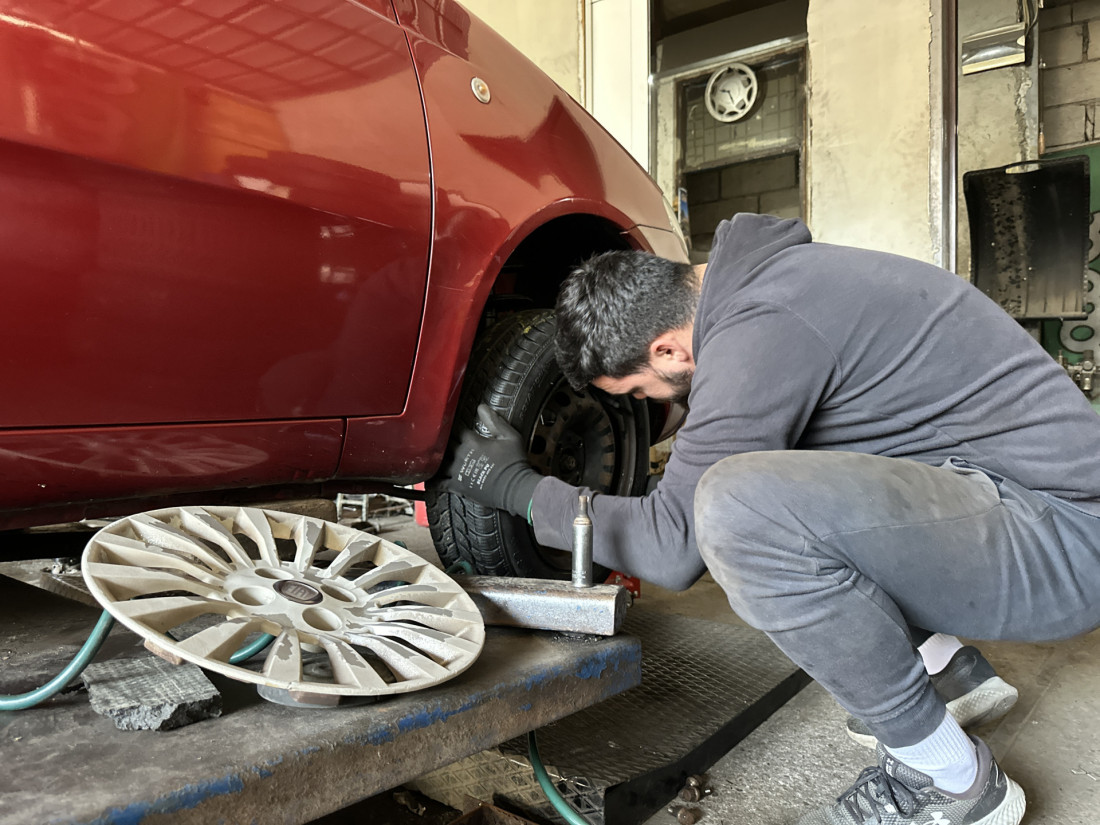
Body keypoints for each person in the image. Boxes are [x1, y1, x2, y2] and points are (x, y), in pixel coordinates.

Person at [437, 213, 1100, 825]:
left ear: (668, 350)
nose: (648, 403)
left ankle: (955, 782)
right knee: (773, 471)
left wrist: (516, 489)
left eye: (638, 391)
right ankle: (947, 672)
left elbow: (675, 546)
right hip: (1016, 503)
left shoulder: (760, 330)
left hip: (1064, 540)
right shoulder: (768, 286)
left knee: (738, 508)